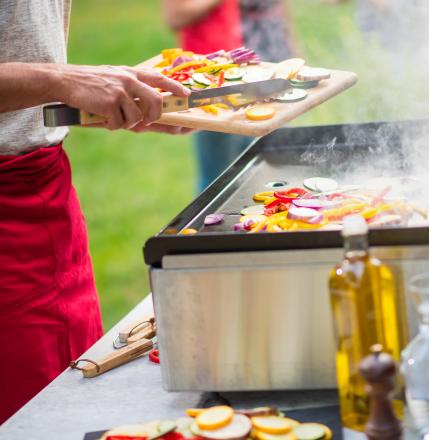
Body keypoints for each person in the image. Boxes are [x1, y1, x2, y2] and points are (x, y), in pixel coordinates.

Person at [0, 0, 191, 424]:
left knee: (79, 400)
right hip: (9, 217)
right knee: (33, 420)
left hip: (46, 194)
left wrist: (102, 96)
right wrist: (61, 79)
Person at [164, 0, 296, 193]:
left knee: (257, 165)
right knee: (216, 176)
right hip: (205, 82)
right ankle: (201, 222)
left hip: (235, 74)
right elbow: (175, 17)